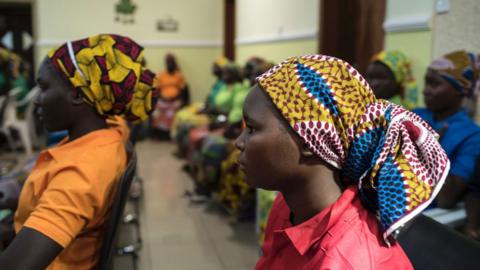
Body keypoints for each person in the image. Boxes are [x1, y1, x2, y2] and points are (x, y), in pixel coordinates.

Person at [235, 55, 450, 269]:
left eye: (252, 129)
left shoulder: (348, 262)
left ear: (310, 140)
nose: (238, 142)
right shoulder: (286, 205)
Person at [0, 34, 156, 269]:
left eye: (44, 87)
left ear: (78, 94)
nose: (37, 100)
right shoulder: (110, 133)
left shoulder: (79, 174)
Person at [413, 50, 480, 209]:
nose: (425, 90)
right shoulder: (415, 115)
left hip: (422, 218)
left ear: (460, 89)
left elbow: (447, 199)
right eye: (426, 82)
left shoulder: (472, 136)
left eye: (434, 84)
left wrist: (431, 148)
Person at [151, 53, 186, 135]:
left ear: (174, 63)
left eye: (171, 62)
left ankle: (170, 133)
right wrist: (162, 97)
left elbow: (182, 90)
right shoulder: (162, 75)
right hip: (163, 100)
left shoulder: (179, 75)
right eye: (167, 62)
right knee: (157, 109)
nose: (169, 64)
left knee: (173, 110)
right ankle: (160, 133)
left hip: (175, 100)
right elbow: (157, 89)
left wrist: (174, 98)